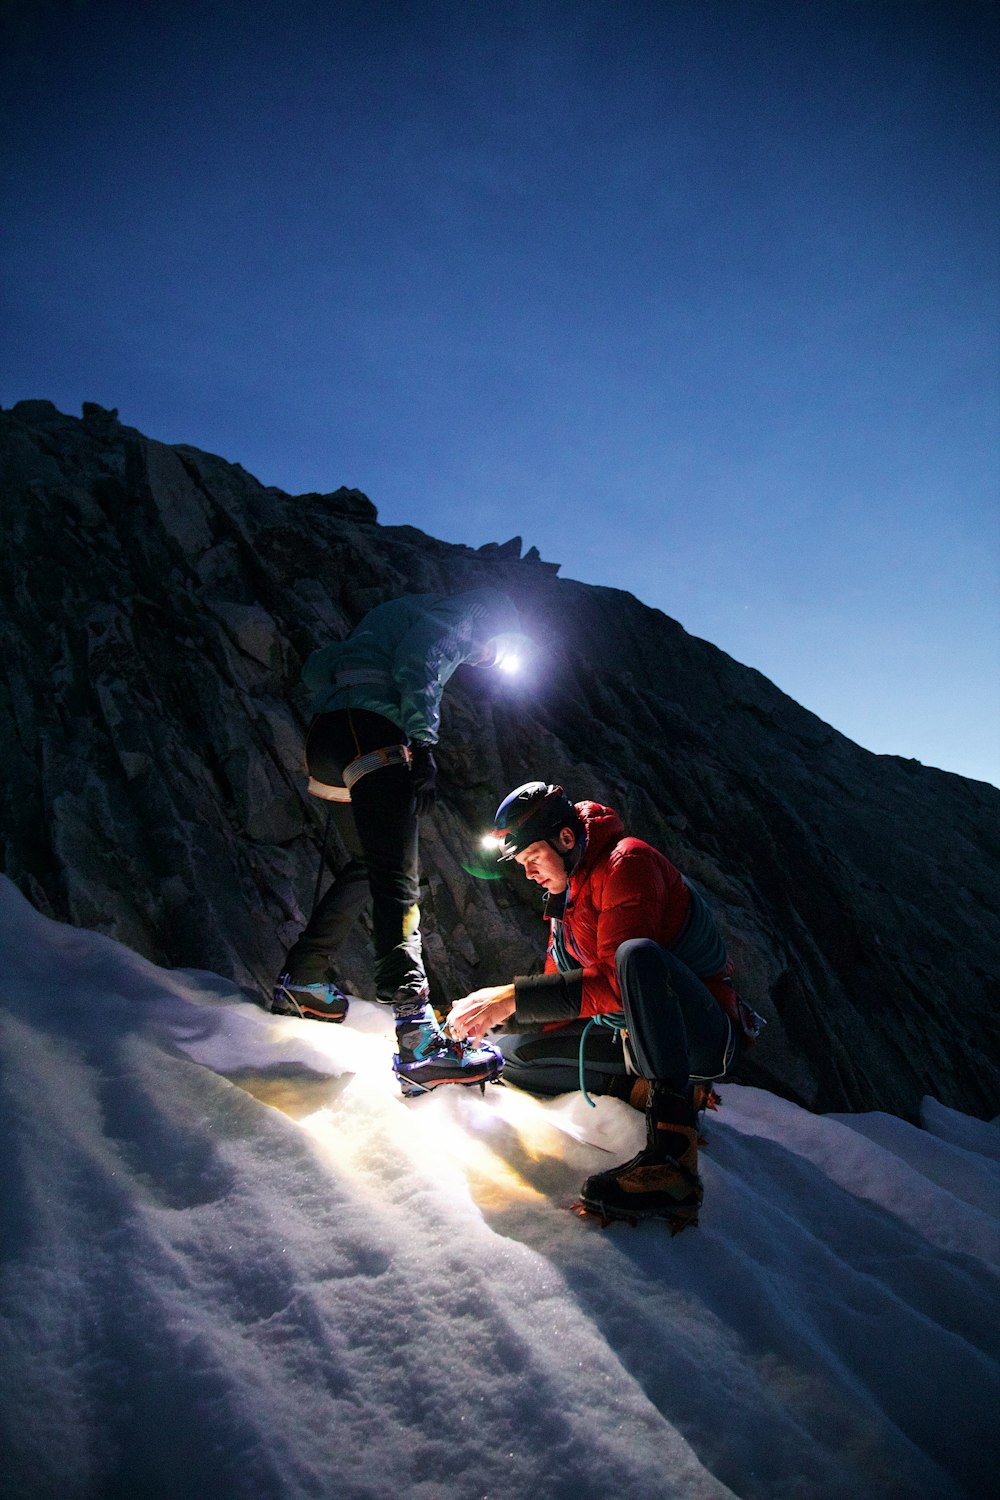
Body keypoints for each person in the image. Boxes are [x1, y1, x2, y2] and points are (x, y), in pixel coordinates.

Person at [447, 781, 763, 1229]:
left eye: (532, 859)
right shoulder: (568, 895)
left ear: (566, 838)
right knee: (515, 1055)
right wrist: (497, 1018)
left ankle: (672, 1163)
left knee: (638, 956)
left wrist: (511, 997)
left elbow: (617, 981)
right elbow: (561, 980)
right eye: (521, 865)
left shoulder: (626, 862)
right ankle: (645, 1091)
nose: (529, 873)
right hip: (631, 1033)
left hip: (697, 1034)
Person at [272, 588, 523, 1097]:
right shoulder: (469, 610)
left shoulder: (386, 615)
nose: (486, 658)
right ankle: (416, 1038)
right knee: (397, 879)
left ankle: (302, 979)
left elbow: (318, 668)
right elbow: (422, 658)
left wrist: (347, 694)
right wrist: (423, 741)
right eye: (494, 650)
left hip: (326, 740)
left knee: (369, 863)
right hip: (376, 734)